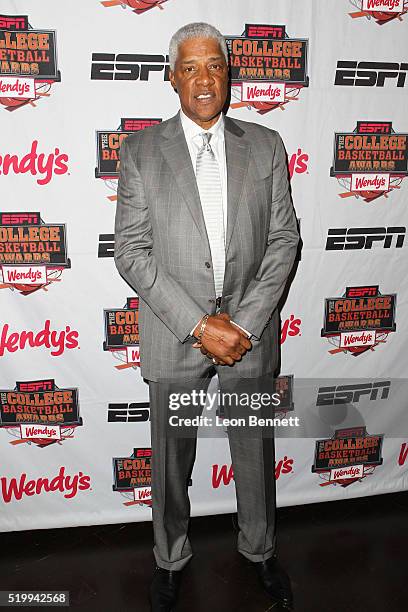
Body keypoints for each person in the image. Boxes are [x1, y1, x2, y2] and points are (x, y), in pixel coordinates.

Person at [114, 22, 299, 612]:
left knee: (254, 453)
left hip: (249, 333)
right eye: (189, 67)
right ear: (172, 77)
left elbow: (284, 242)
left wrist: (241, 326)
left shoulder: (266, 145)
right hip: (176, 335)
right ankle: (169, 558)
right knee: (169, 464)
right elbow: (131, 251)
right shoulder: (141, 151)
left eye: (213, 65)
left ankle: (260, 551)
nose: (202, 79)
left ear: (229, 73)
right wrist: (199, 325)